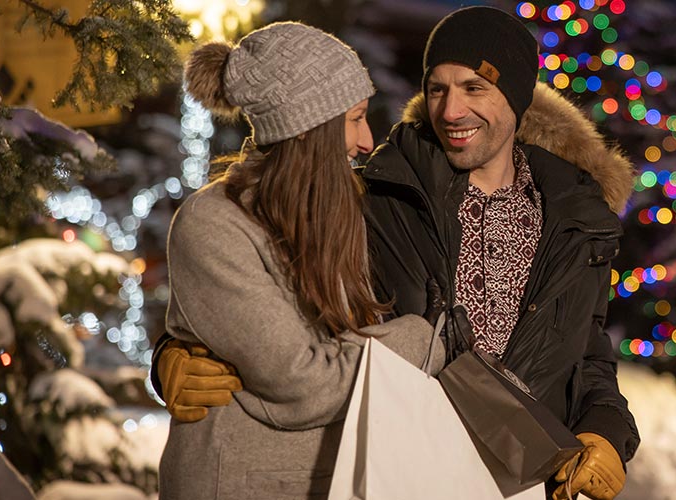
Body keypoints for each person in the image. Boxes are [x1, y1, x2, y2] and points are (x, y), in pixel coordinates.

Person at [158, 6, 641, 499]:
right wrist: (176, 349)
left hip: (522, 479)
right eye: (437, 89)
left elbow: (588, 354)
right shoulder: (383, 192)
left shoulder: (578, 218)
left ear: (516, 97)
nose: (451, 111)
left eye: (475, 87)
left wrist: (607, 429)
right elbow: (289, 295)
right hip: (407, 464)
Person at [157, 22, 445, 499]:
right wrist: (425, 336)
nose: (367, 140)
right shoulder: (214, 224)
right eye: (355, 118)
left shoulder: (343, 209)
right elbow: (307, 383)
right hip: (236, 484)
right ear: (310, 127)